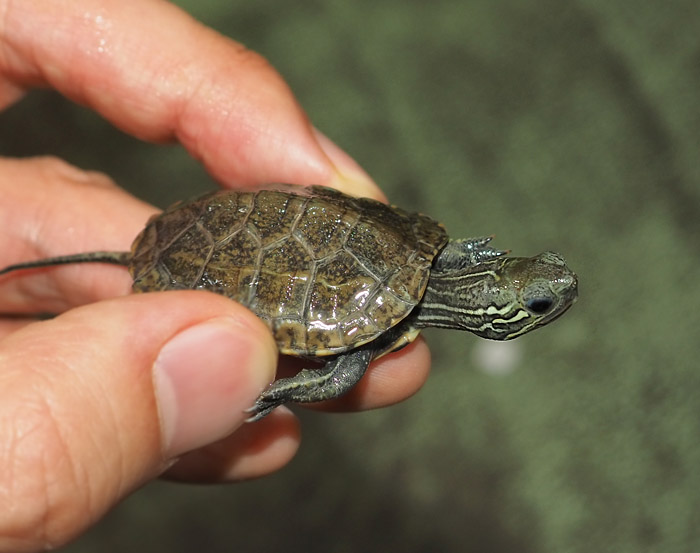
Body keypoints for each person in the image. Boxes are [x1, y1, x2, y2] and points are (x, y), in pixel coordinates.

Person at [0, 0, 432, 550]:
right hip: (223, 252)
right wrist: (272, 392)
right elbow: (341, 372)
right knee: (342, 370)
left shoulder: (410, 271)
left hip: (254, 233)